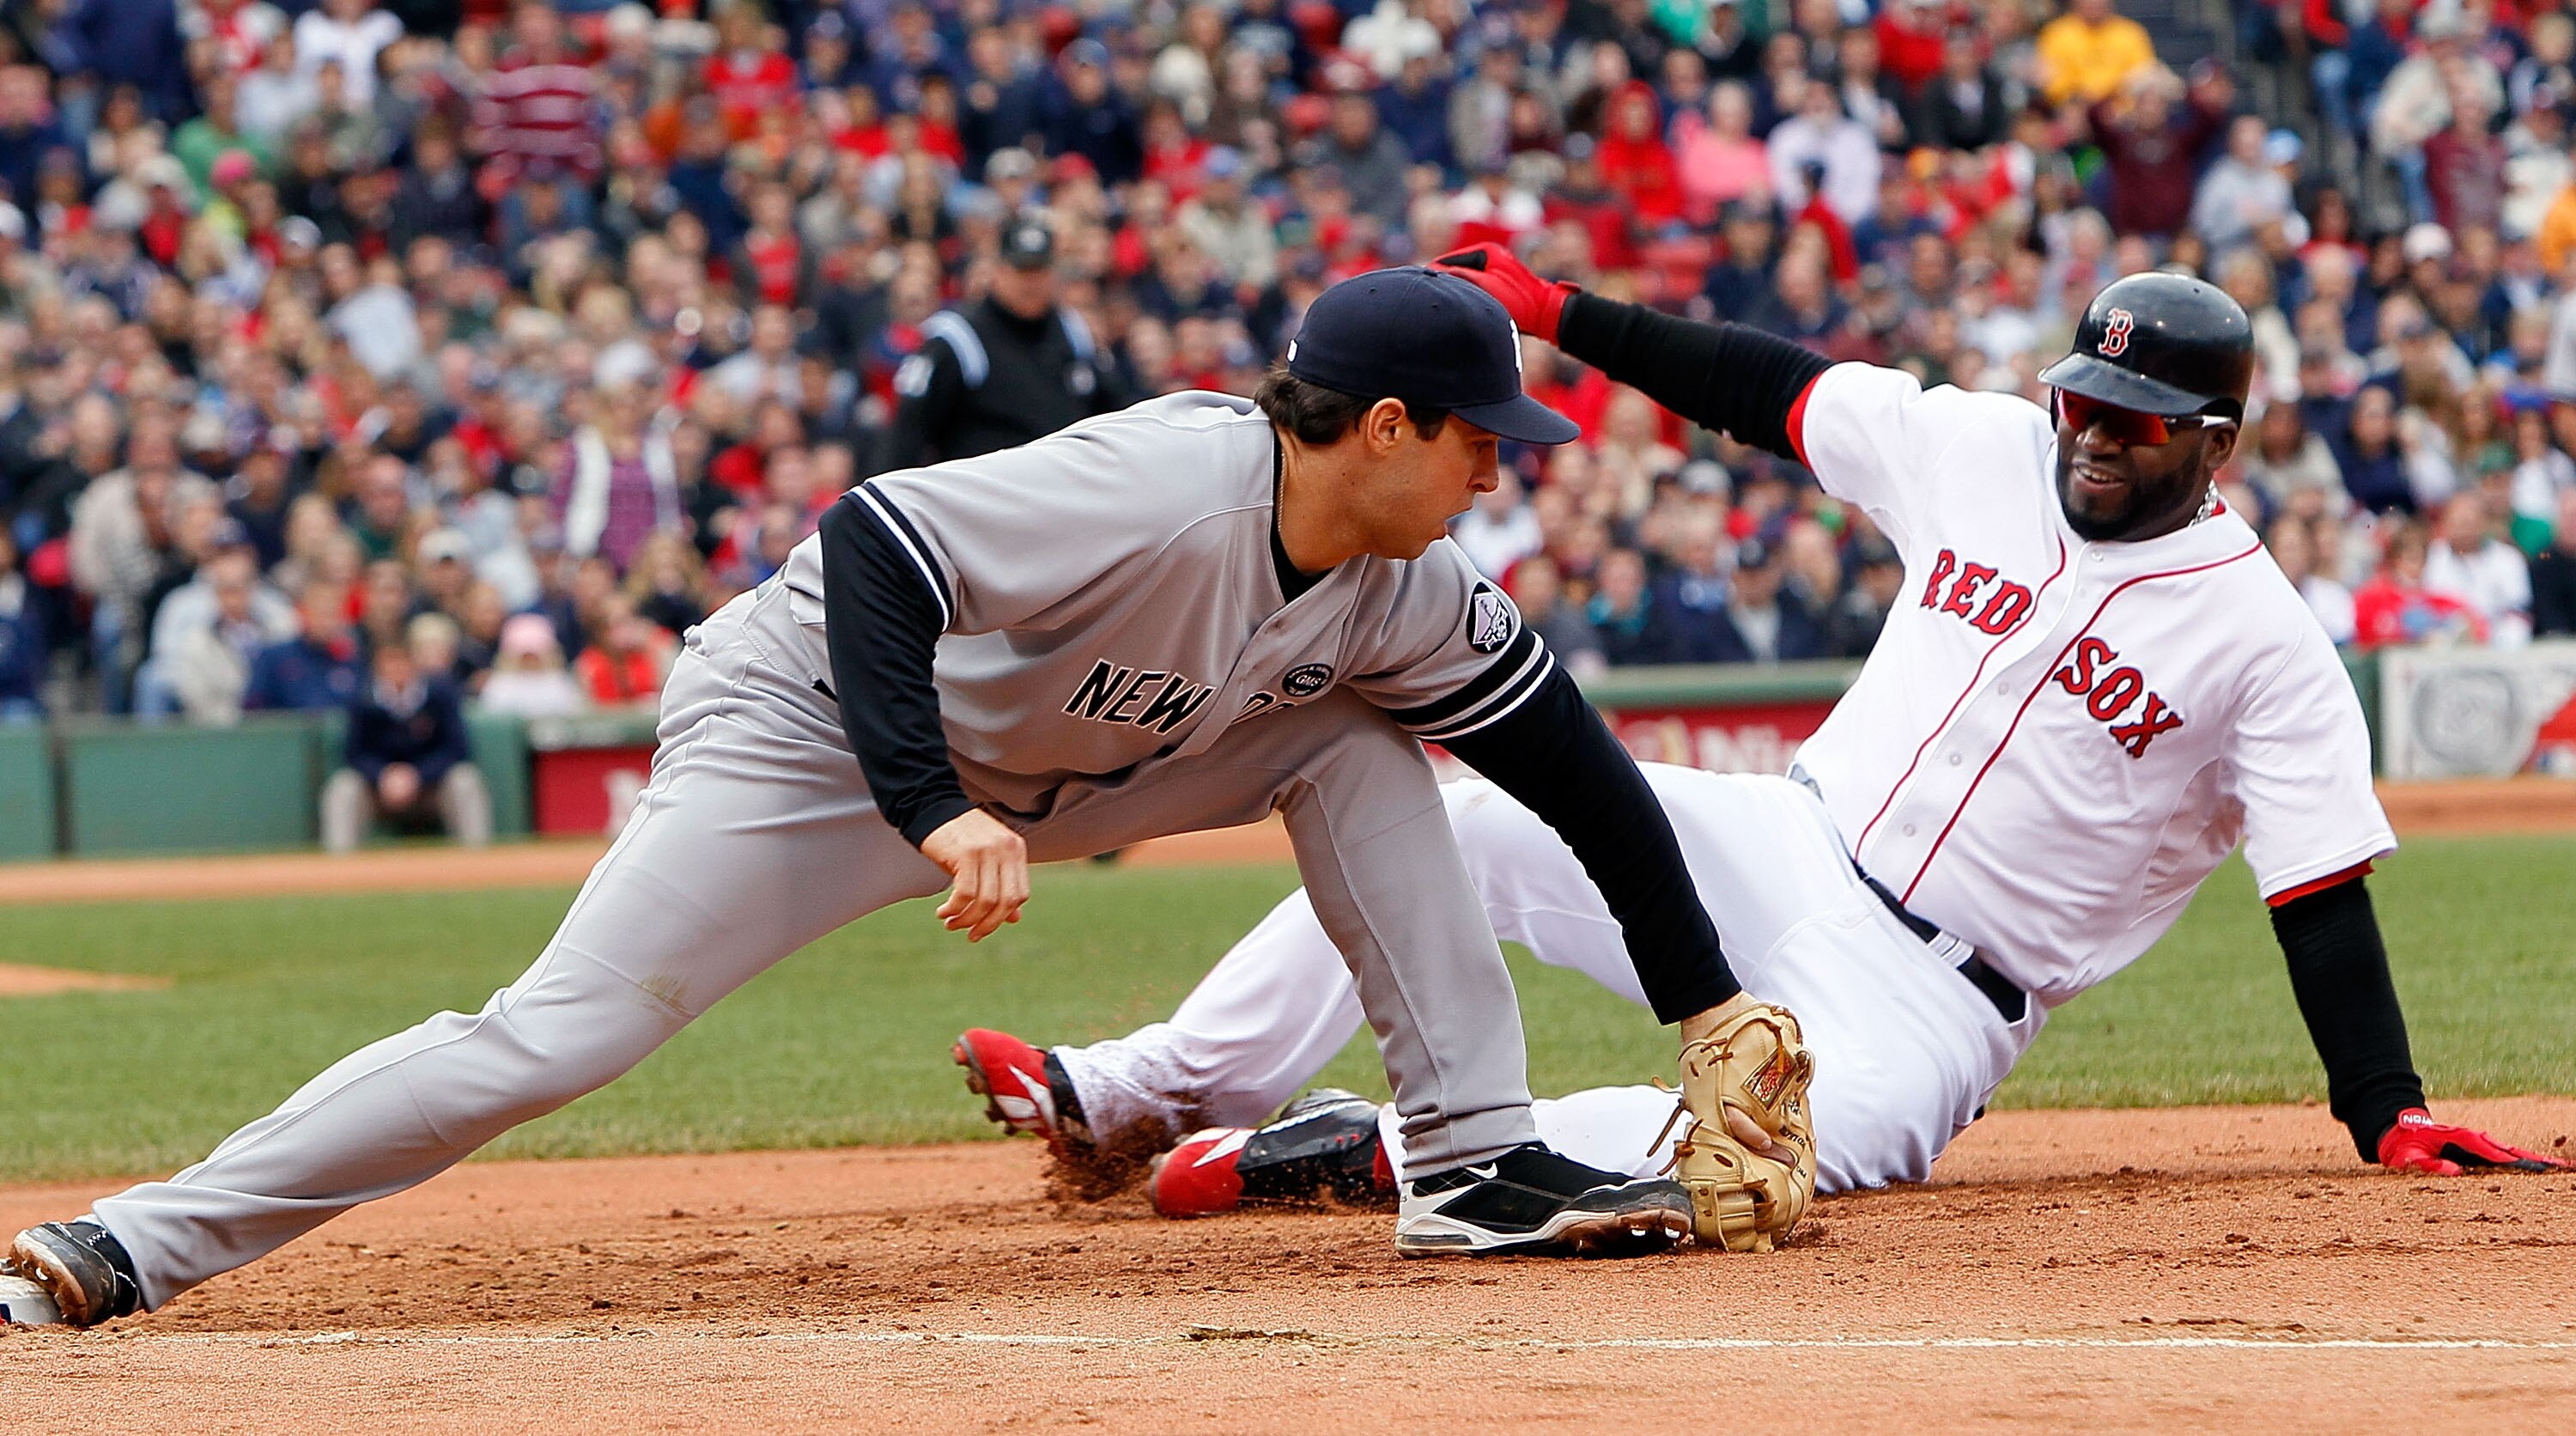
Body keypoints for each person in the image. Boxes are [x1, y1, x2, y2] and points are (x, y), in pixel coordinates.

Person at [3, 268, 1788, 1332]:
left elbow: (1576, 771)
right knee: (559, 1031)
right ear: (1384, 424)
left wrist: (1703, 999)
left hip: (1080, 754)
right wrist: (931, 802)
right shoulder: (1171, 478)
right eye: (1485, 439)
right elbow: (875, 541)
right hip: (811, 735)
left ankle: (1470, 1161)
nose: (1504, 473)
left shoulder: (1406, 586)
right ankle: (126, 1241)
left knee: (1364, 739)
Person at [949, 253, 2567, 1224]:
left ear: (2215, 441)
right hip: (1779, 837)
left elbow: (2319, 893)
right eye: (2084, 400)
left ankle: (1353, 1150)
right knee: (1471, 816)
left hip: (1943, 988)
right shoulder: (1986, 450)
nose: (2093, 434)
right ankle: (1134, 1086)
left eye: (2138, 424)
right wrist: (1561, 311)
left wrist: (2386, 1103)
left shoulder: (2265, 640)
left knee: (1759, 1161)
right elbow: (1766, 391)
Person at [872, 216, 1132, 474]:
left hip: (1064, 492)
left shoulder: (1074, 333)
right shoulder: (959, 339)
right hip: (985, 498)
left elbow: (1115, 412)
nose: (1030, 282)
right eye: (1021, 270)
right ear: (998, 270)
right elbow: (906, 434)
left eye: (1039, 270)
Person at [319, 638, 492, 854]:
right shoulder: (362, 699)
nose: (396, 669)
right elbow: (354, 753)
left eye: (402, 661)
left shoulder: (440, 694)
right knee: (343, 788)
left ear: (414, 664)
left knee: (465, 780)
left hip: (432, 788)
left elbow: (456, 749)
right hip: (379, 791)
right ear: (377, 667)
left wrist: (417, 775)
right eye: (389, 662)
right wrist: (383, 775)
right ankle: (338, 868)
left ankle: (478, 861)